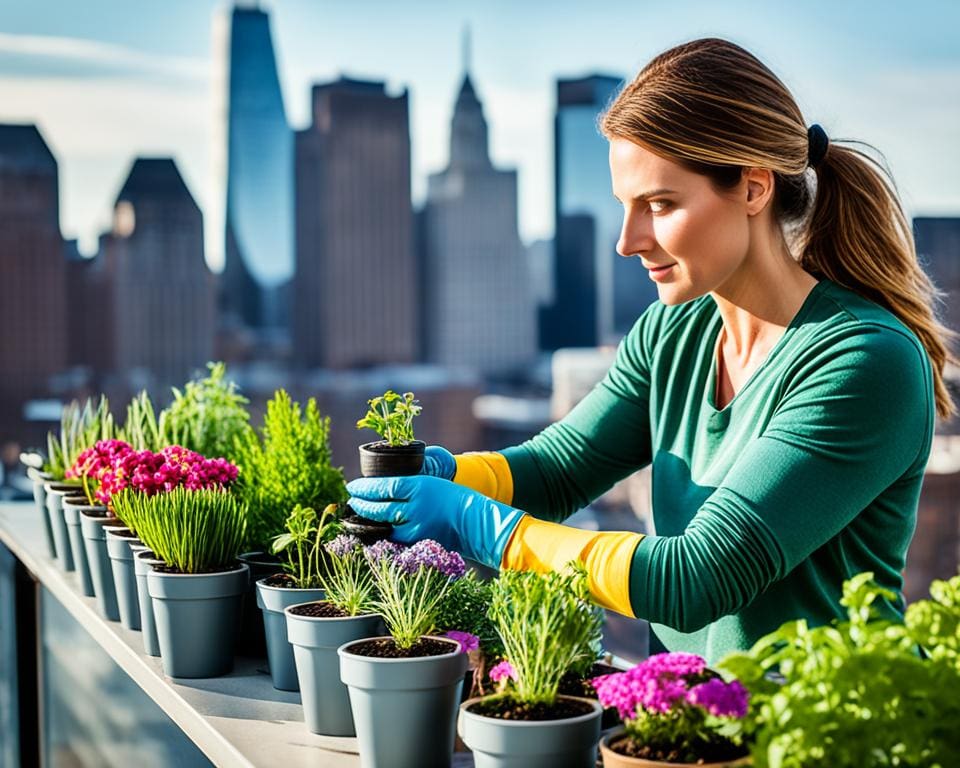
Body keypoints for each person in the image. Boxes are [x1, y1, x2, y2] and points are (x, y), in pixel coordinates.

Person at [347, 37, 955, 663]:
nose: (627, 241)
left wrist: (482, 527)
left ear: (753, 188)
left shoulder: (862, 361)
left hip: (823, 742)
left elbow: (696, 579)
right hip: (684, 737)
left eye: (659, 205)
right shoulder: (672, 333)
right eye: (624, 207)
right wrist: (451, 477)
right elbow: (558, 472)